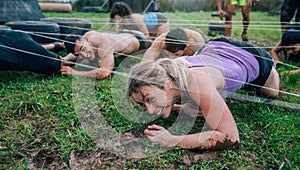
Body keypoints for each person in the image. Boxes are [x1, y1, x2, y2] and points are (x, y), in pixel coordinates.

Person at [126, 37, 279, 150]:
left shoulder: (197, 82)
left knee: (272, 93)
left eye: (150, 99)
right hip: (215, 46)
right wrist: (178, 108)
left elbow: (231, 138)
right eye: (143, 105)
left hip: (253, 57)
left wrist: (170, 139)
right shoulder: (174, 72)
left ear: (167, 82)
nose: (150, 111)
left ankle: (273, 64)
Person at [62, 30, 151, 80]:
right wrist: (63, 61)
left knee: (152, 43)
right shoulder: (86, 39)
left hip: (138, 39)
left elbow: (105, 73)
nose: (85, 56)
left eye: (83, 49)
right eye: (79, 55)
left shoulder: (103, 43)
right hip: (120, 33)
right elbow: (73, 54)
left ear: (86, 39)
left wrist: (75, 72)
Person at [142, 28, 206, 61]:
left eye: (176, 54)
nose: (172, 56)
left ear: (186, 46)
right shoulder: (161, 41)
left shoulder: (197, 43)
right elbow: (146, 60)